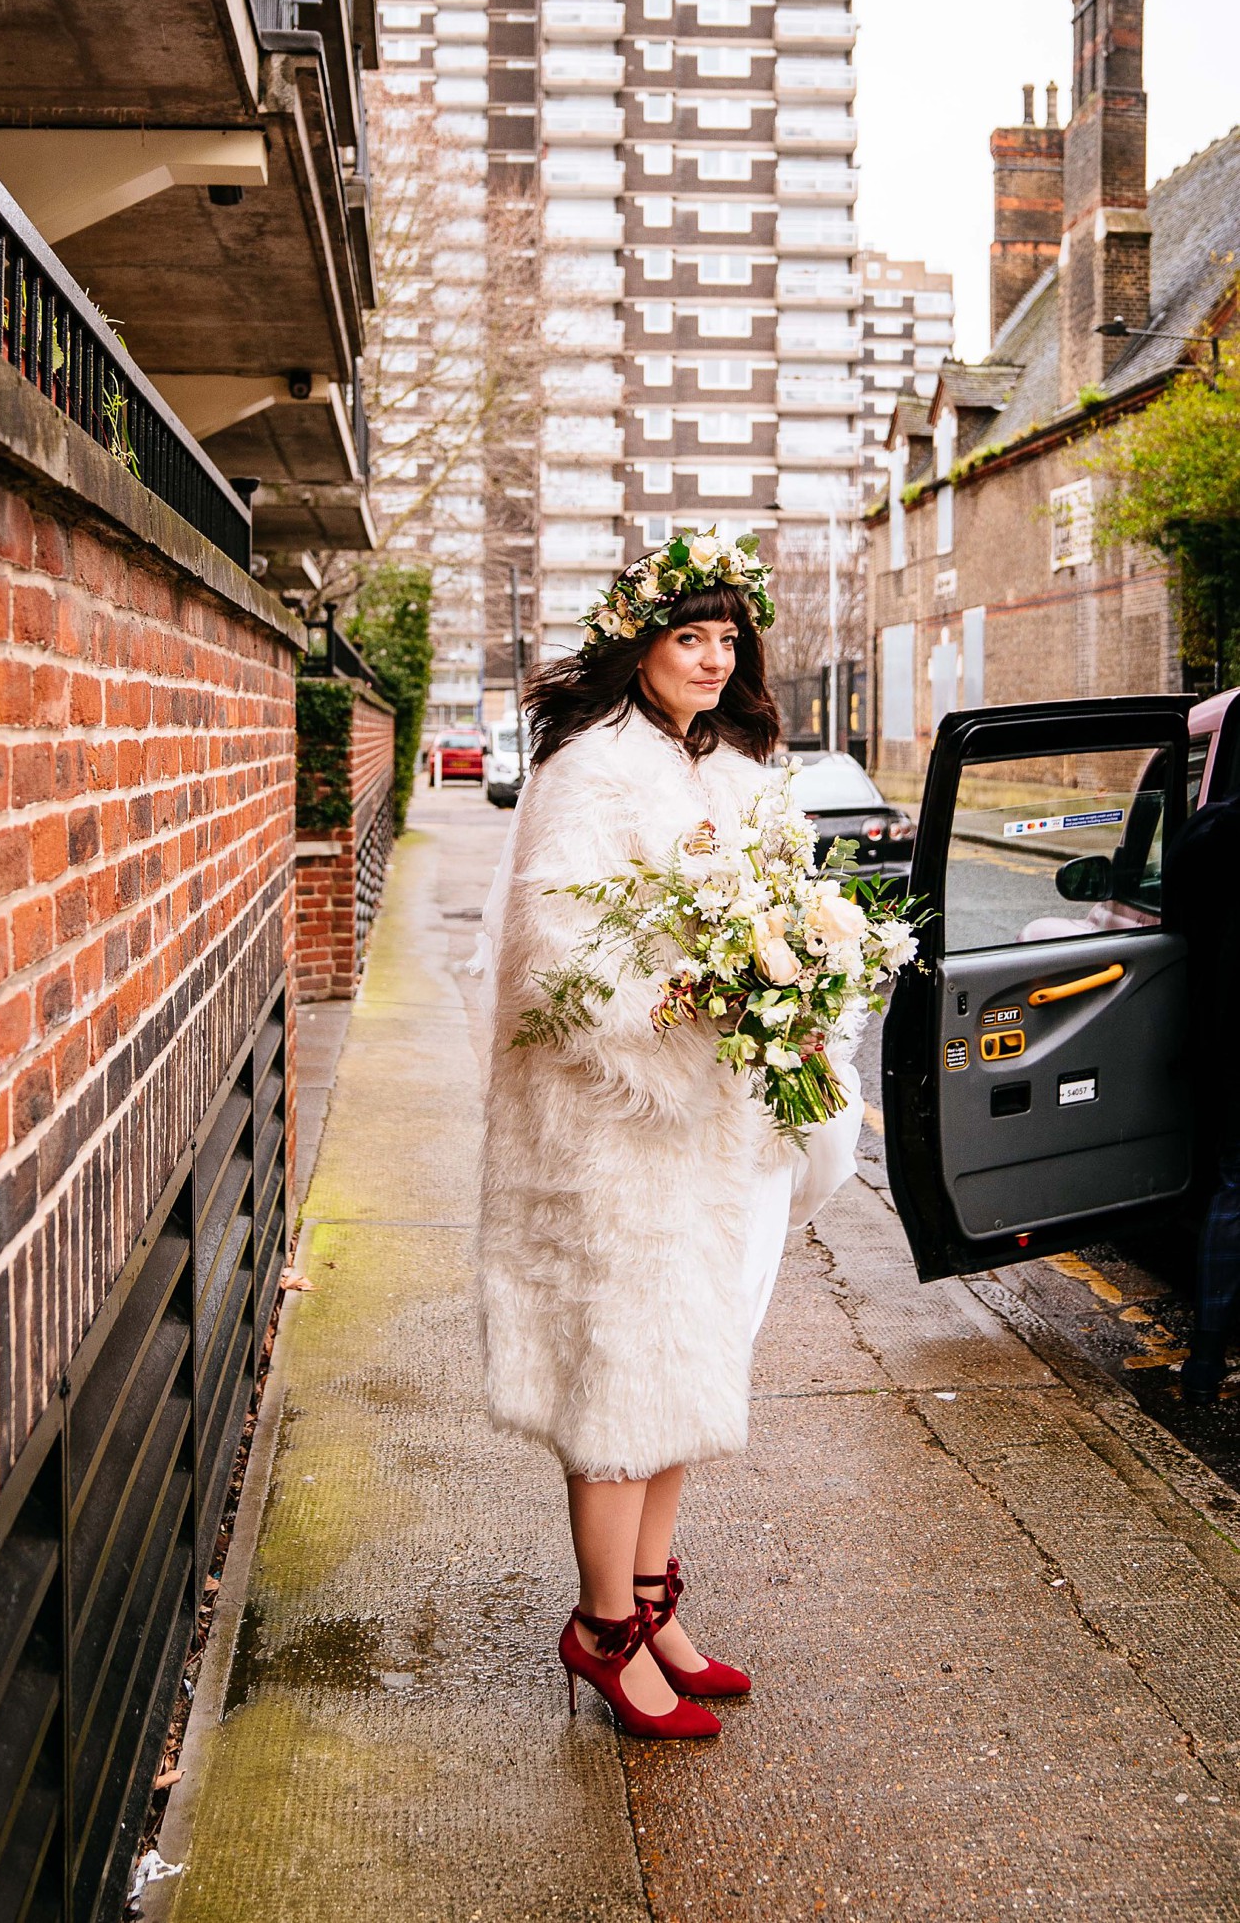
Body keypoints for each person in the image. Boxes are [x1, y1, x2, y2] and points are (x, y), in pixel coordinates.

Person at [474, 533, 862, 1742]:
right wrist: (691, 1002)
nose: (708, 658)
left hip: (718, 1126)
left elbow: (788, 907)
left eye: (724, 639)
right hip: (612, 1131)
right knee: (619, 1379)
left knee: (690, 1367)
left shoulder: (744, 770)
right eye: (685, 636)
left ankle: (650, 1603)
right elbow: (553, 965)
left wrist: (799, 988)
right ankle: (599, 1632)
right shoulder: (588, 770)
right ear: (636, 645)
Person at [1165, 789, 1240, 1403]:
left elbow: (1173, 913)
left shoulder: (1213, 831)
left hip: (1231, 1037)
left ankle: (1206, 1361)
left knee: (1234, 1189)